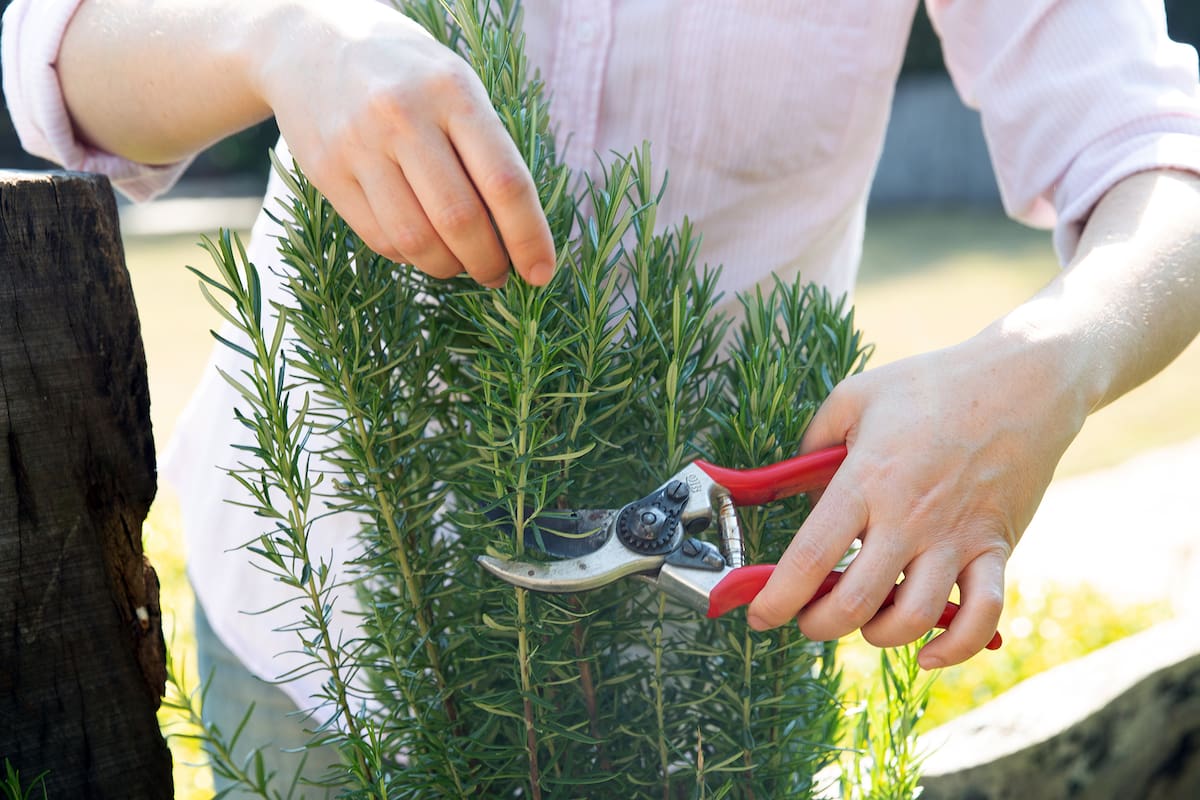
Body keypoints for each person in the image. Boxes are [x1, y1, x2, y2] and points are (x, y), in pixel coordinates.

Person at [5, 0, 1199, 793]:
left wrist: (1044, 365)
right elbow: (63, 60)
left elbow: (1158, 153)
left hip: (697, 662)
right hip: (317, 614)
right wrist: (282, 35)